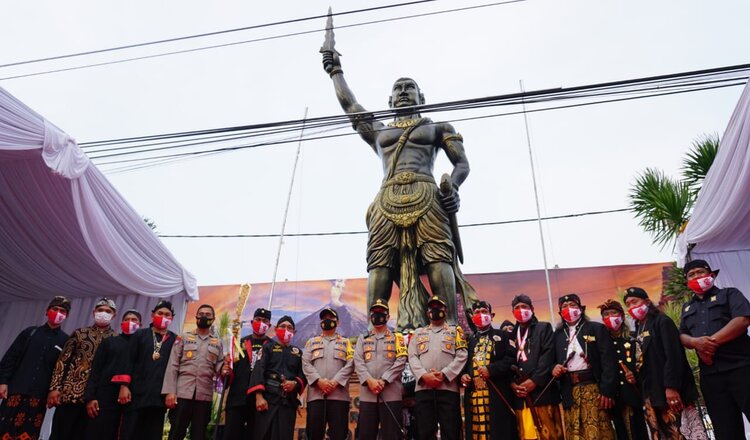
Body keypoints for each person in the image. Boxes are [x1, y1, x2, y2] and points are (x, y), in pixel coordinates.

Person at [320, 16, 478, 330]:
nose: (403, 92)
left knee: (438, 258)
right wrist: (334, 70)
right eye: (398, 89)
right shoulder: (379, 133)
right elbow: (350, 105)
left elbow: (462, 164)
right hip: (386, 198)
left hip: (427, 193)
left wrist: (454, 186)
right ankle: (373, 328)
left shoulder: (437, 127)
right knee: (378, 263)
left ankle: (448, 326)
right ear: (390, 101)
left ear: (422, 97)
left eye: (410, 88)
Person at [679, 259, 750, 440]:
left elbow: (742, 320)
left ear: (711, 275)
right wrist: (696, 343)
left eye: (700, 272)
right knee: (725, 429)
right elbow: (682, 335)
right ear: (687, 281)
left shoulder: (729, 294)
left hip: (741, 367)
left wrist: (710, 344)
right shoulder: (687, 307)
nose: (696, 276)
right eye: (691, 275)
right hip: (711, 376)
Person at [624, 287, 701, 440]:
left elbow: (674, 356)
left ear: (646, 301)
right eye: (628, 304)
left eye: (635, 302)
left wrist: (671, 387)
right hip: (652, 394)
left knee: (682, 433)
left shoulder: (662, 321)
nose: (632, 307)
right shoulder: (639, 327)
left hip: (670, 394)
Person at [0, 296, 71, 440]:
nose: (58, 313)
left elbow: (62, 370)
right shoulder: (30, 332)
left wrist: (55, 391)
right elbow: (10, 358)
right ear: (47, 311)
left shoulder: (66, 341)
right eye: (55, 309)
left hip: (38, 397)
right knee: (3, 430)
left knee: (28, 434)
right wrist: (3, 382)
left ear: (66, 316)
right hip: (15, 390)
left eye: (62, 311)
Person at [47, 297, 117, 440]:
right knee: (61, 434)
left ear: (114, 315)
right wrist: (55, 388)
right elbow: (62, 361)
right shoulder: (79, 333)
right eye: (100, 310)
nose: (103, 313)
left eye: (108, 311)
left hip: (96, 401)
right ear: (93, 312)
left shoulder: (116, 339)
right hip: (70, 395)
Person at [551, 294, 616, 440]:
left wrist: (607, 391)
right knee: (575, 434)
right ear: (560, 312)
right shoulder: (558, 335)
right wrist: (553, 368)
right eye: (564, 307)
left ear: (581, 308)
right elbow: (552, 361)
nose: (569, 309)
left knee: (598, 433)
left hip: (594, 390)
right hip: (570, 391)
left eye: (573, 305)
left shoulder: (597, 328)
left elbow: (608, 361)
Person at [113, 300, 177, 440]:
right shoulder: (139, 335)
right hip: (135, 396)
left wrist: (171, 392)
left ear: (172, 318)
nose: (163, 316)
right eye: (160, 313)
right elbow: (127, 361)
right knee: (128, 434)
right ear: (152, 315)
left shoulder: (174, 339)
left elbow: (175, 368)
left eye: (167, 314)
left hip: (158, 400)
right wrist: (124, 386)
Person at [407, 295, 467, 440]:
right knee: (425, 432)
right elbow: (412, 356)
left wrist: (444, 374)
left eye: (438, 307)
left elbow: (462, 355)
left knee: (451, 431)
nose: (435, 310)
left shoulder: (455, 332)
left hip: (448, 388)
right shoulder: (418, 333)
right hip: (424, 389)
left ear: (445, 311)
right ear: (427, 312)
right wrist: (424, 375)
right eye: (432, 308)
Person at [162, 304, 225, 440]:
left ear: (213, 319)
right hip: (182, 393)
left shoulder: (218, 343)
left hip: (204, 396)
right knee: (176, 432)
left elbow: (220, 368)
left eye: (208, 315)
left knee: (199, 434)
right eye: (201, 313)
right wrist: (170, 392)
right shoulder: (183, 338)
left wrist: (226, 367)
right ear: (196, 317)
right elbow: (172, 365)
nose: (204, 316)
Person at [460, 301, 518, 440]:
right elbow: (461, 364)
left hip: (496, 394)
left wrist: (491, 369)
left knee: (499, 432)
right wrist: (463, 376)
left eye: (484, 312)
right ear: (472, 317)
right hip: (474, 397)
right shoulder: (468, 341)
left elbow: (511, 360)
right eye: (477, 312)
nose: (481, 315)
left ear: (491, 315)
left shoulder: (503, 336)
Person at [509, 294, 563, 440]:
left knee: (549, 435)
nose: (521, 310)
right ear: (513, 312)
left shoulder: (543, 328)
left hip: (543, 393)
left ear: (532, 309)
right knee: (526, 435)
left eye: (524, 307)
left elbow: (548, 355)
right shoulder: (511, 335)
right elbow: (508, 362)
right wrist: (513, 384)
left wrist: (535, 380)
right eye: (517, 308)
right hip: (521, 397)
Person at [353, 299, 408, 440]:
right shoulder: (362, 338)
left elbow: (401, 360)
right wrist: (370, 380)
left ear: (388, 316)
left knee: (392, 435)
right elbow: (358, 361)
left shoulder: (397, 337)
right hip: (367, 395)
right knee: (365, 435)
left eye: (381, 312)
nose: (377, 315)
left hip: (391, 394)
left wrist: (384, 380)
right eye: (374, 313)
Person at [83, 309, 141, 440]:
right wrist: (91, 397)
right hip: (104, 399)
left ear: (140, 325)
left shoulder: (142, 346)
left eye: (134, 320)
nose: (130, 322)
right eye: (127, 319)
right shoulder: (109, 342)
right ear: (121, 323)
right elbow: (96, 370)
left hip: (131, 401)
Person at [249, 315, 306, 440]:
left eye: (290, 328)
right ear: (275, 329)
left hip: (288, 403)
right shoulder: (267, 348)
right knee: (262, 435)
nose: (286, 329)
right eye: (283, 326)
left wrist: (295, 383)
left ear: (294, 332)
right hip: (267, 401)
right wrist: (259, 397)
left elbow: (303, 374)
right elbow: (258, 370)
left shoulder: (298, 352)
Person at [598, 299, 649, 440]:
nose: (610, 317)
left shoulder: (632, 341)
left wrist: (635, 378)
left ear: (622, 316)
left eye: (614, 313)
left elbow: (643, 368)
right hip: (612, 399)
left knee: (638, 432)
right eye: (606, 314)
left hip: (632, 396)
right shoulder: (601, 343)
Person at [302, 307, 355, 440]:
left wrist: (335, 381)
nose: (327, 320)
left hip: (339, 397)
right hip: (316, 397)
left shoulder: (346, 342)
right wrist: (319, 381)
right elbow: (306, 363)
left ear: (338, 323)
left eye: (331, 318)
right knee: (314, 434)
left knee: (339, 434)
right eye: (324, 318)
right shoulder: (311, 342)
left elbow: (351, 364)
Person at [224, 307, 273, 440]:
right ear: (252, 322)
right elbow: (229, 372)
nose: (261, 322)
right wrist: (226, 369)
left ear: (269, 325)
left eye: (264, 321)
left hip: (261, 401)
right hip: (237, 399)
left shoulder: (273, 346)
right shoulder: (238, 343)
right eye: (258, 319)